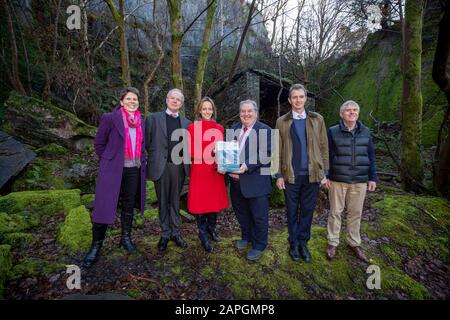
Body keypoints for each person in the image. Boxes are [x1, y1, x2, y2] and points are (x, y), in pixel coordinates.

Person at [83, 87, 146, 268]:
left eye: (135, 99)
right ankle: (96, 246)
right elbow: (99, 143)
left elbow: (142, 144)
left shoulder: (142, 121)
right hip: (113, 170)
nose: (132, 102)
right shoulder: (110, 118)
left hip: (133, 169)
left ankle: (125, 238)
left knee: (128, 205)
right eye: (129, 99)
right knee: (104, 205)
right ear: (121, 101)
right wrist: (108, 161)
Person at [275, 84, 329, 263]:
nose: (298, 100)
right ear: (289, 100)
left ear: (306, 98)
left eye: (301, 97)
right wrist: (278, 175)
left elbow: (323, 146)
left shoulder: (317, 119)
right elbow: (277, 149)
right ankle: (293, 243)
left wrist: (325, 172)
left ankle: (303, 243)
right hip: (290, 175)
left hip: (312, 174)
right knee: (291, 211)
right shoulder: (281, 121)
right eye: (294, 97)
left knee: (307, 211)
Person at [323, 100, 377, 263]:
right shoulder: (332, 131)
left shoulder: (366, 132)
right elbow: (326, 155)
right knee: (335, 212)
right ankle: (333, 242)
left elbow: (371, 156)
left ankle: (354, 243)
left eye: (355, 110)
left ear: (358, 113)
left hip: (359, 180)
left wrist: (372, 177)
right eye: (348, 110)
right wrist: (324, 175)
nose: (352, 112)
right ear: (341, 114)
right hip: (337, 179)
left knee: (355, 213)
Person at [145, 88, 191, 252]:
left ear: (181, 103)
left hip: (178, 167)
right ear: (166, 100)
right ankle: (165, 234)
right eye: (172, 98)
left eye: (178, 99)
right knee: (163, 201)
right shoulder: (153, 119)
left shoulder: (187, 123)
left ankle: (176, 233)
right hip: (160, 167)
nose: (175, 101)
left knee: (175, 201)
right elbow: (147, 143)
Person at [228, 100, 272, 261]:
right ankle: (246, 237)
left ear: (256, 112)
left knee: (259, 215)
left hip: (256, 181)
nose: (246, 114)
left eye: (249, 111)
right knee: (242, 212)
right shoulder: (234, 129)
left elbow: (265, 153)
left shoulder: (265, 130)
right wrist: (221, 161)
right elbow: (228, 151)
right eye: (242, 112)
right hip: (235, 181)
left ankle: (259, 245)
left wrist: (246, 165)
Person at [186, 97, 229, 253]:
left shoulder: (219, 128)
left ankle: (211, 229)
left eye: (209, 109)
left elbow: (223, 150)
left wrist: (223, 163)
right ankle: (202, 234)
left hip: (215, 171)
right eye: (204, 109)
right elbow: (189, 151)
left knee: (213, 203)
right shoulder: (192, 128)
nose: (207, 111)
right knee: (200, 203)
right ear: (199, 110)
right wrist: (209, 152)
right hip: (200, 171)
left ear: (213, 110)